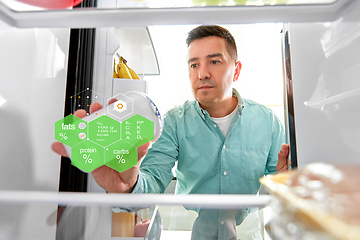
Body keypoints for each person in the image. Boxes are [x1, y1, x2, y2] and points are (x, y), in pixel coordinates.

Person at [52, 25, 289, 239]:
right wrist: (127, 187)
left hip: (248, 235)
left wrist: (286, 182)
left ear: (236, 70)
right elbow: (152, 181)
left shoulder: (267, 121)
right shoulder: (174, 122)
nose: (202, 73)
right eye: (194, 64)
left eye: (214, 62)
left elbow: (275, 187)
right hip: (189, 232)